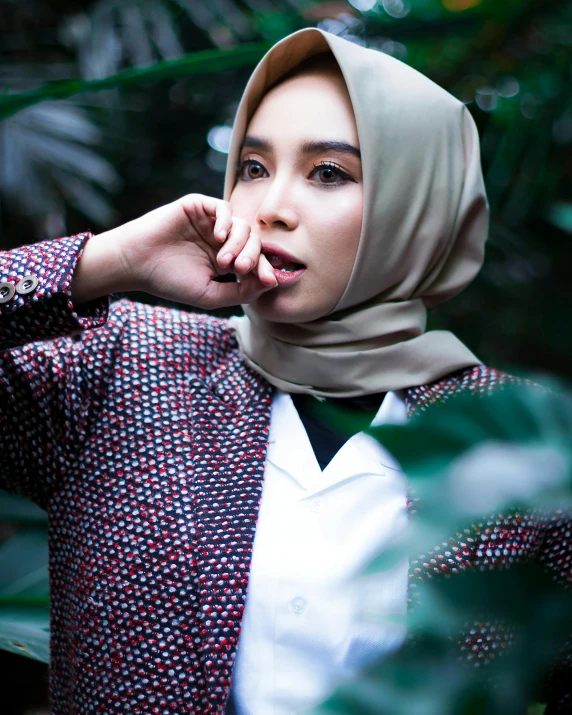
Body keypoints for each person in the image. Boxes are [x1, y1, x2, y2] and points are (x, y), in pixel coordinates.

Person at [0, 27, 569, 715]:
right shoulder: (119, 363)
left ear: (419, 207)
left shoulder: (521, 440)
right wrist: (108, 262)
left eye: (329, 172)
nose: (268, 206)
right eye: (253, 167)